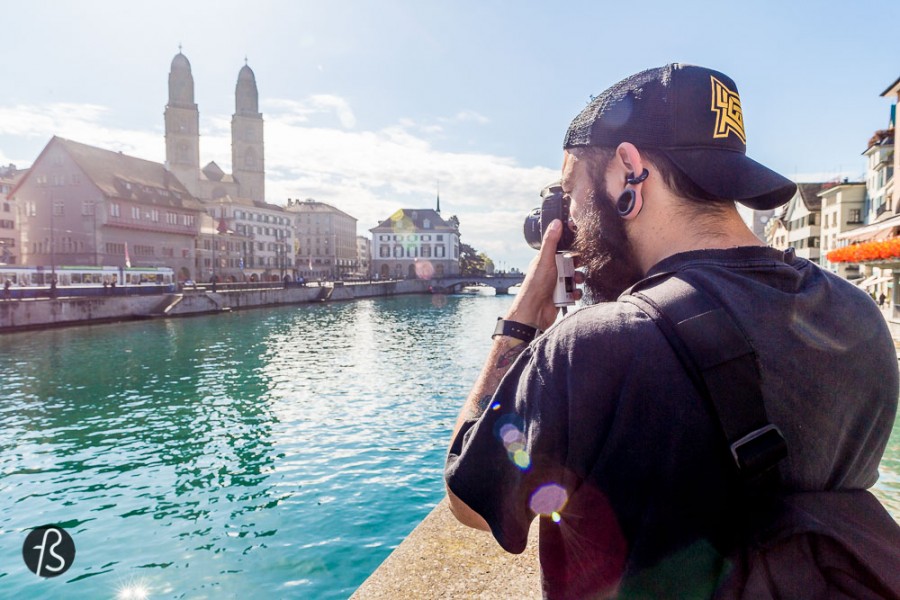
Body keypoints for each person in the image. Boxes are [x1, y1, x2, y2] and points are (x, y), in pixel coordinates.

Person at [444, 64, 898, 598]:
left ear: (629, 170)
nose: (572, 220)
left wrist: (518, 326)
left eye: (573, 191)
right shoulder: (856, 314)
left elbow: (470, 502)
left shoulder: (591, 348)